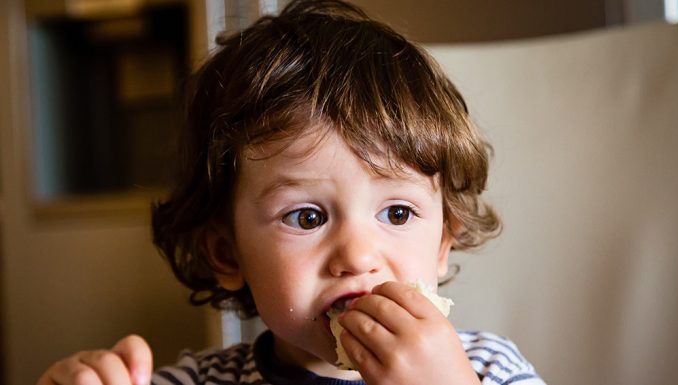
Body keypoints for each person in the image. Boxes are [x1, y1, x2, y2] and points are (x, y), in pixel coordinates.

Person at [37, 1, 546, 384]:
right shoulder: (202, 380)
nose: (358, 255)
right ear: (226, 252)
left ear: (442, 245)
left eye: (396, 212)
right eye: (306, 218)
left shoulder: (486, 368)